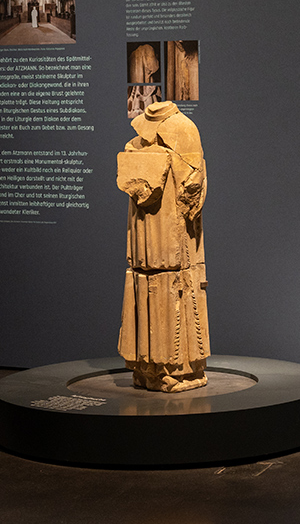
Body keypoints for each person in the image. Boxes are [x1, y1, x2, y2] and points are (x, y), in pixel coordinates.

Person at [116, 101, 209, 392]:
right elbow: (191, 192)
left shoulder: (136, 139)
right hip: (172, 240)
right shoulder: (184, 128)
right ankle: (179, 371)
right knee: (176, 285)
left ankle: (147, 370)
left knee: (147, 284)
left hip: (144, 242)